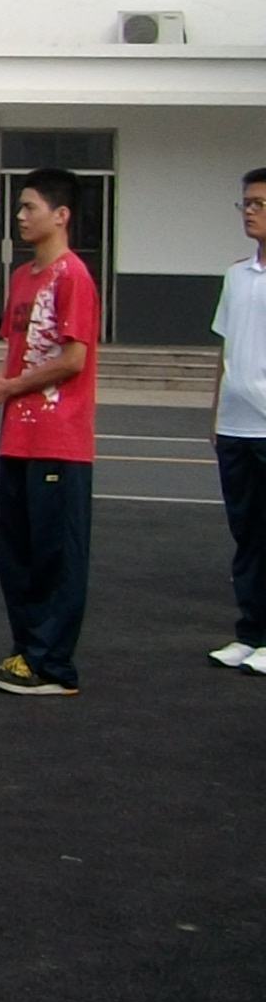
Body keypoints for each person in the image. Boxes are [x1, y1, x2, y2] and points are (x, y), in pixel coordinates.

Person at [0, 169, 98, 694]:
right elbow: (25, 352)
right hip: (18, 437)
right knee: (18, 554)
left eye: (30, 207)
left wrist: (7, 387)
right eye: (18, 208)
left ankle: (54, 666)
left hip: (59, 439)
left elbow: (73, 359)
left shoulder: (73, 276)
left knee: (56, 556)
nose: (20, 217)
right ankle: (25, 652)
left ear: (60, 215)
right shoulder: (22, 278)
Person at [211, 168, 266, 673]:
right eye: (245, 203)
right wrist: (216, 412)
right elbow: (226, 348)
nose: (249, 211)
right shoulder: (235, 274)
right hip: (237, 426)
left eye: (258, 204)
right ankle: (250, 632)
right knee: (247, 535)